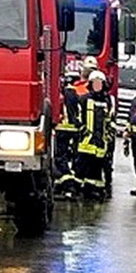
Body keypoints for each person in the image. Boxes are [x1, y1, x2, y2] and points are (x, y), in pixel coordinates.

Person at [74, 70, 114, 200]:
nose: (97, 86)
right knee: (81, 167)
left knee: (96, 168)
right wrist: (82, 129)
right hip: (86, 141)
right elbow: (77, 117)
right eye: (95, 83)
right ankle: (78, 190)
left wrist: (109, 136)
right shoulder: (83, 99)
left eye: (100, 83)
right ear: (90, 84)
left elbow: (109, 120)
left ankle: (93, 190)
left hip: (100, 142)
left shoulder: (107, 101)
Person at [53, 63, 84, 198]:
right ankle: (74, 185)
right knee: (76, 157)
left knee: (61, 157)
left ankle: (66, 184)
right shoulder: (79, 94)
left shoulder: (62, 94)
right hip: (76, 130)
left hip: (62, 129)